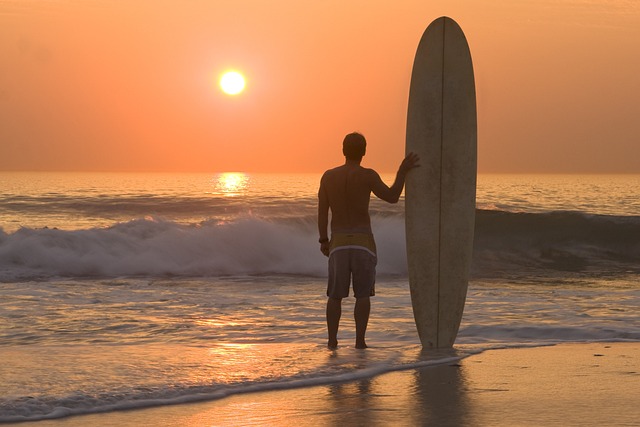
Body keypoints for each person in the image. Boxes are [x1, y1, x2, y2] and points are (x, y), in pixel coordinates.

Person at [318, 132, 419, 349]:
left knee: (335, 296)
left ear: (343, 150)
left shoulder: (328, 177)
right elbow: (392, 197)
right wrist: (402, 171)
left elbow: (322, 212)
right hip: (363, 242)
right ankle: (360, 342)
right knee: (362, 295)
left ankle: (332, 341)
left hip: (338, 243)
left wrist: (323, 240)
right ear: (364, 152)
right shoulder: (368, 176)